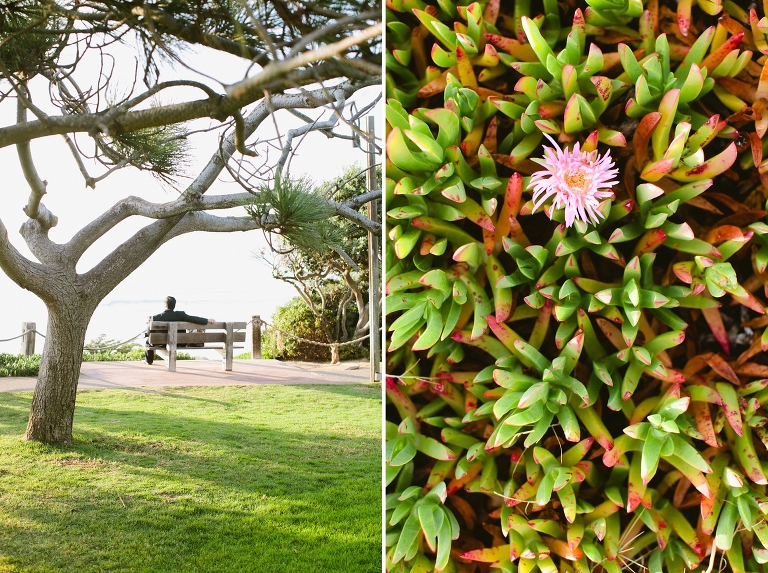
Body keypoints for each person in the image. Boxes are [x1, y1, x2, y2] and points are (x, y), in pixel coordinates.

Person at [145, 296, 216, 364]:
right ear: (174, 305)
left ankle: (149, 361)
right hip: (179, 342)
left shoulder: (156, 317)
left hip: (160, 343)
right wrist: (207, 320)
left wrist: (146, 334)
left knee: (148, 342)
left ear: (166, 305)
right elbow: (193, 319)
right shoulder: (180, 315)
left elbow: (148, 333)